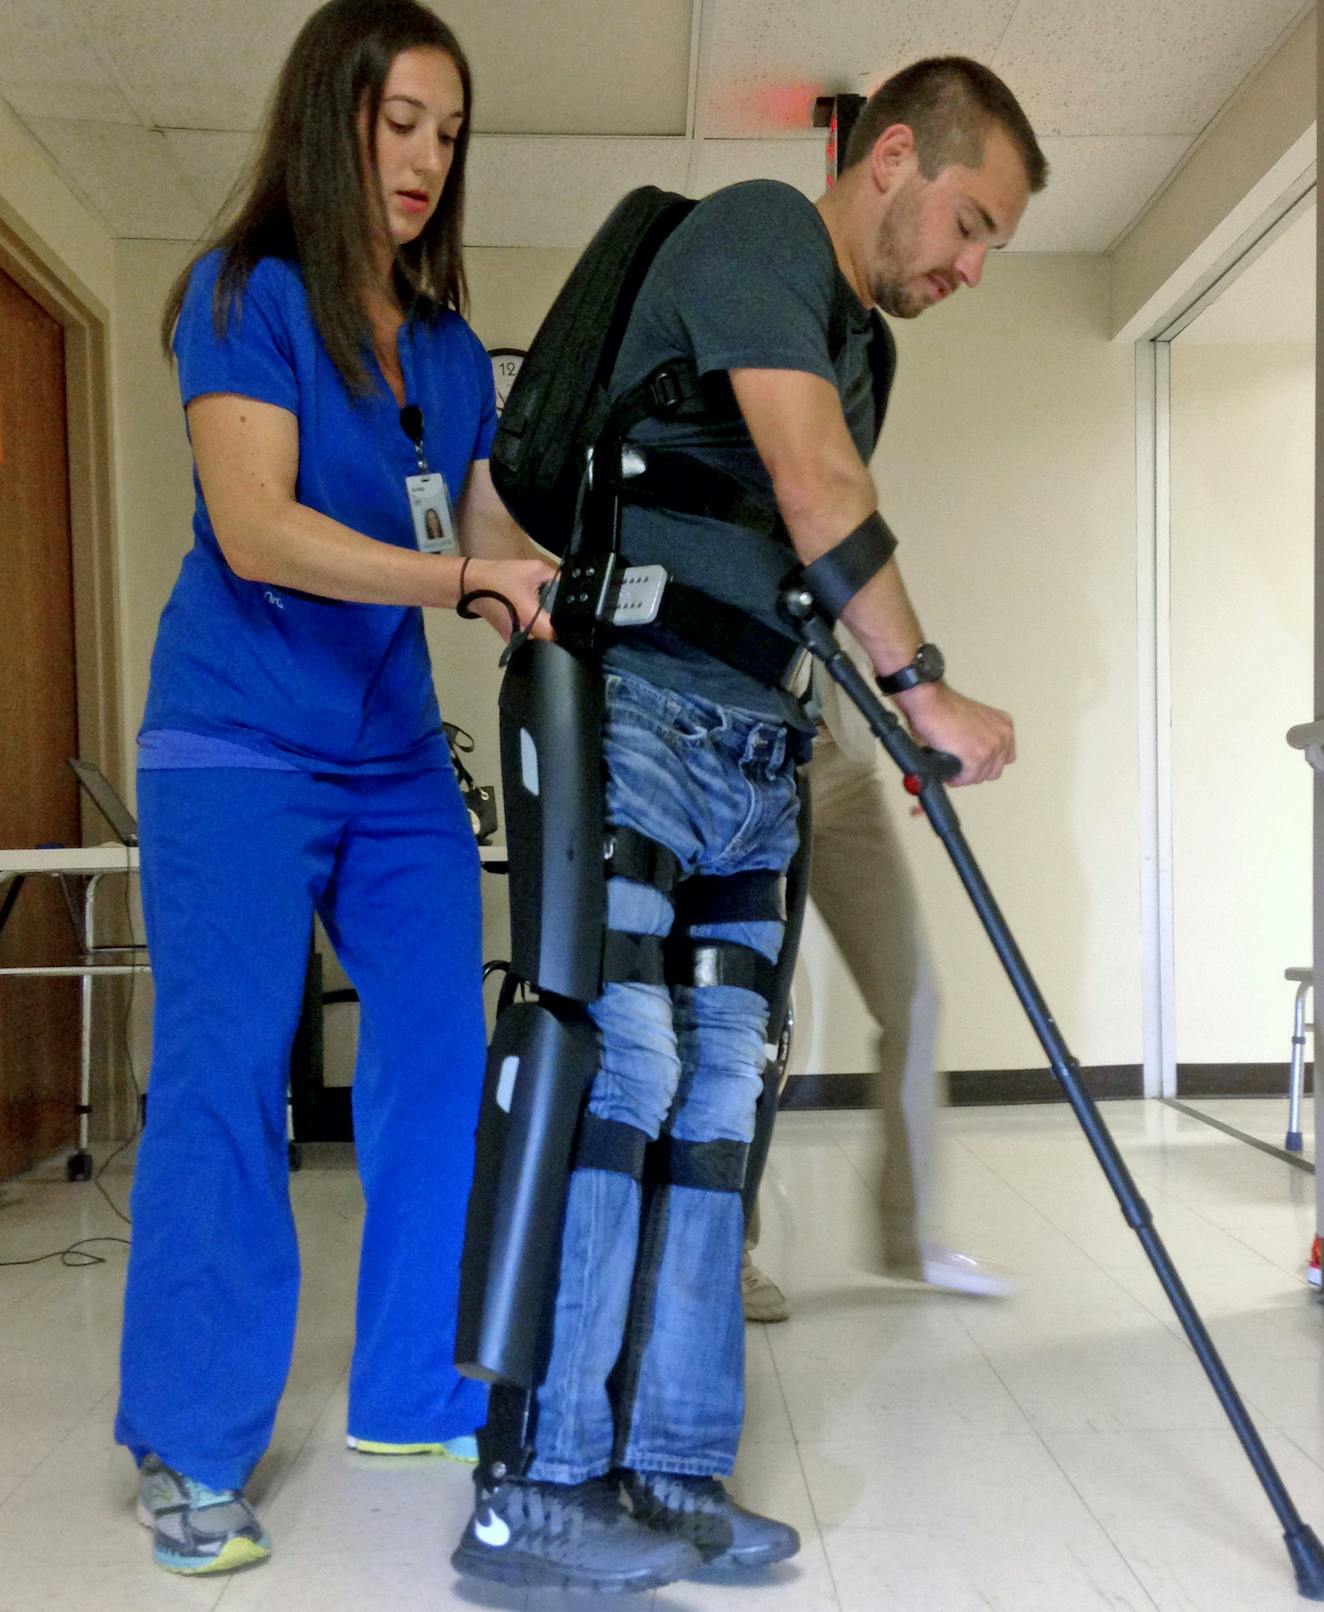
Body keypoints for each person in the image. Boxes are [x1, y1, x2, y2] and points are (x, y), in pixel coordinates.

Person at [451, 55, 1046, 1594]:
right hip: (634, 709)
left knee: (727, 1094)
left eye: (992, 249)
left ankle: (672, 1465)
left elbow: (789, 541)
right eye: (970, 223)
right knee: (622, 1068)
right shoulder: (764, 231)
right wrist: (927, 690)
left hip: (755, 744)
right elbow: (808, 477)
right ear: (897, 154)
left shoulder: (864, 344)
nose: (971, 267)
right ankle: (536, 1491)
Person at [113, 0, 553, 1577]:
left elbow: (483, 514)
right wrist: (458, 581)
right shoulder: (246, 298)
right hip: (235, 739)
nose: (428, 158)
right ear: (334, 120)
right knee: (228, 1070)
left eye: (449, 130)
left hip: (385, 757)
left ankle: (416, 1386)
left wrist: (533, 575)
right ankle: (195, 1441)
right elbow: (257, 528)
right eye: (400, 123)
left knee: (443, 1054)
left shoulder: (438, 344)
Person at [741, 643, 1012, 1325]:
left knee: (912, 999)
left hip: (838, 762)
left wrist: (924, 712)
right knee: (743, 1018)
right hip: (737, 753)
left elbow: (854, 600)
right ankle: (725, 1248)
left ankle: (910, 1237)